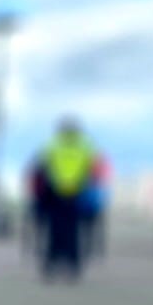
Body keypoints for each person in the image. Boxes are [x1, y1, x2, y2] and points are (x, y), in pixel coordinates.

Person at [31, 118, 102, 278]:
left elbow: (41, 166)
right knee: (72, 231)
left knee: (55, 230)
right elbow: (94, 170)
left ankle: (51, 264)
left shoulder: (53, 144)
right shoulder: (85, 145)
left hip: (56, 192)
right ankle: (72, 265)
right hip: (76, 193)